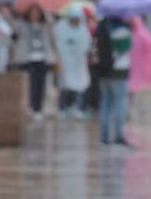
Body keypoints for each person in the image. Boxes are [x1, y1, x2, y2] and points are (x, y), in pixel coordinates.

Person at [94, 15, 134, 148]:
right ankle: (118, 137)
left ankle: (104, 139)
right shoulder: (121, 31)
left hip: (103, 72)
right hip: (119, 72)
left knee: (105, 104)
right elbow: (128, 48)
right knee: (119, 104)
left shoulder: (100, 28)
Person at [12, 5, 56, 120]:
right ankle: (29, 107)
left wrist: (49, 21)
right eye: (32, 13)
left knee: (40, 85)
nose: (34, 15)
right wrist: (20, 16)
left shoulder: (45, 26)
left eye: (37, 13)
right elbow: (14, 32)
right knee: (29, 85)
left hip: (42, 58)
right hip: (27, 59)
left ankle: (38, 108)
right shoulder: (23, 25)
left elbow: (52, 38)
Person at [53, 13, 92, 119]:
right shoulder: (61, 28)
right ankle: (62, 108)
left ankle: (78, 108)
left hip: (79, 63)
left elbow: (86, 45)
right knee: (65, 87)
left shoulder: (83, 30)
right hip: (65, 63)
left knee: (80, 86)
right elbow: (58, 43)